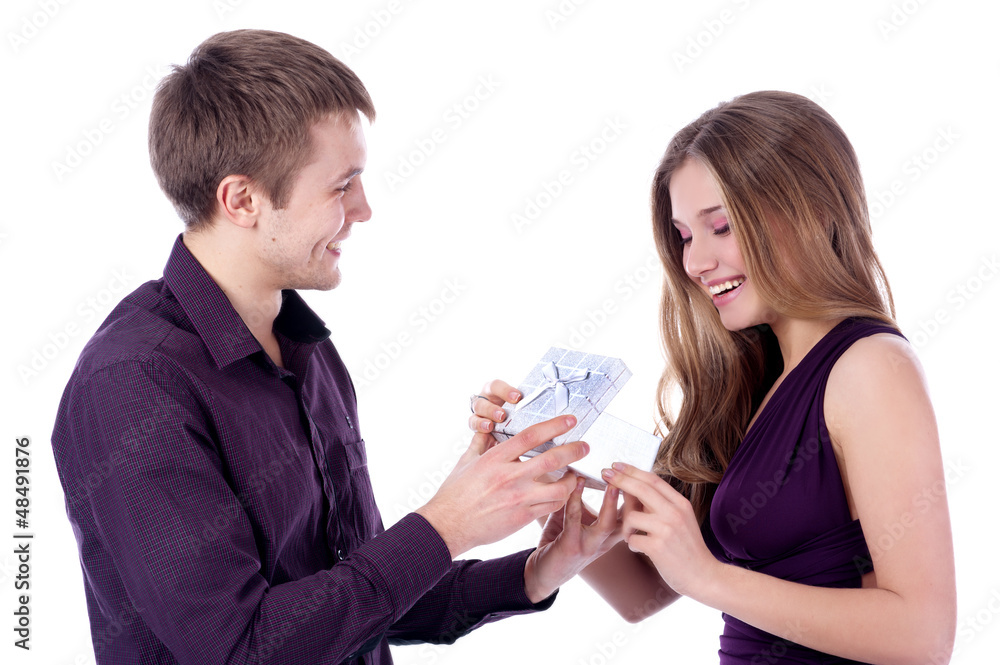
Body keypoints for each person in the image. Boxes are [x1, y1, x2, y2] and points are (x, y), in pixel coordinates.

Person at [50, 29, 621, 664]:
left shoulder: (306, 348)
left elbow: (352, 604)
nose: (365, 208)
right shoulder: (132, 382)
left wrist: (537, 569)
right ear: (243, 199)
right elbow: (244, 651)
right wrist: (444, 526)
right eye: (342, 185)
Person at [473, 91, 957, 664]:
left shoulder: (871, 368)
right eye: (684, 236)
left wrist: (707, 578)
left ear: (812, 209)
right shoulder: (755, 386)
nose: (694, 262)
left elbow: (924, 637)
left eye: (721, 226)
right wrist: (559, 487)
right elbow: (643, 596)